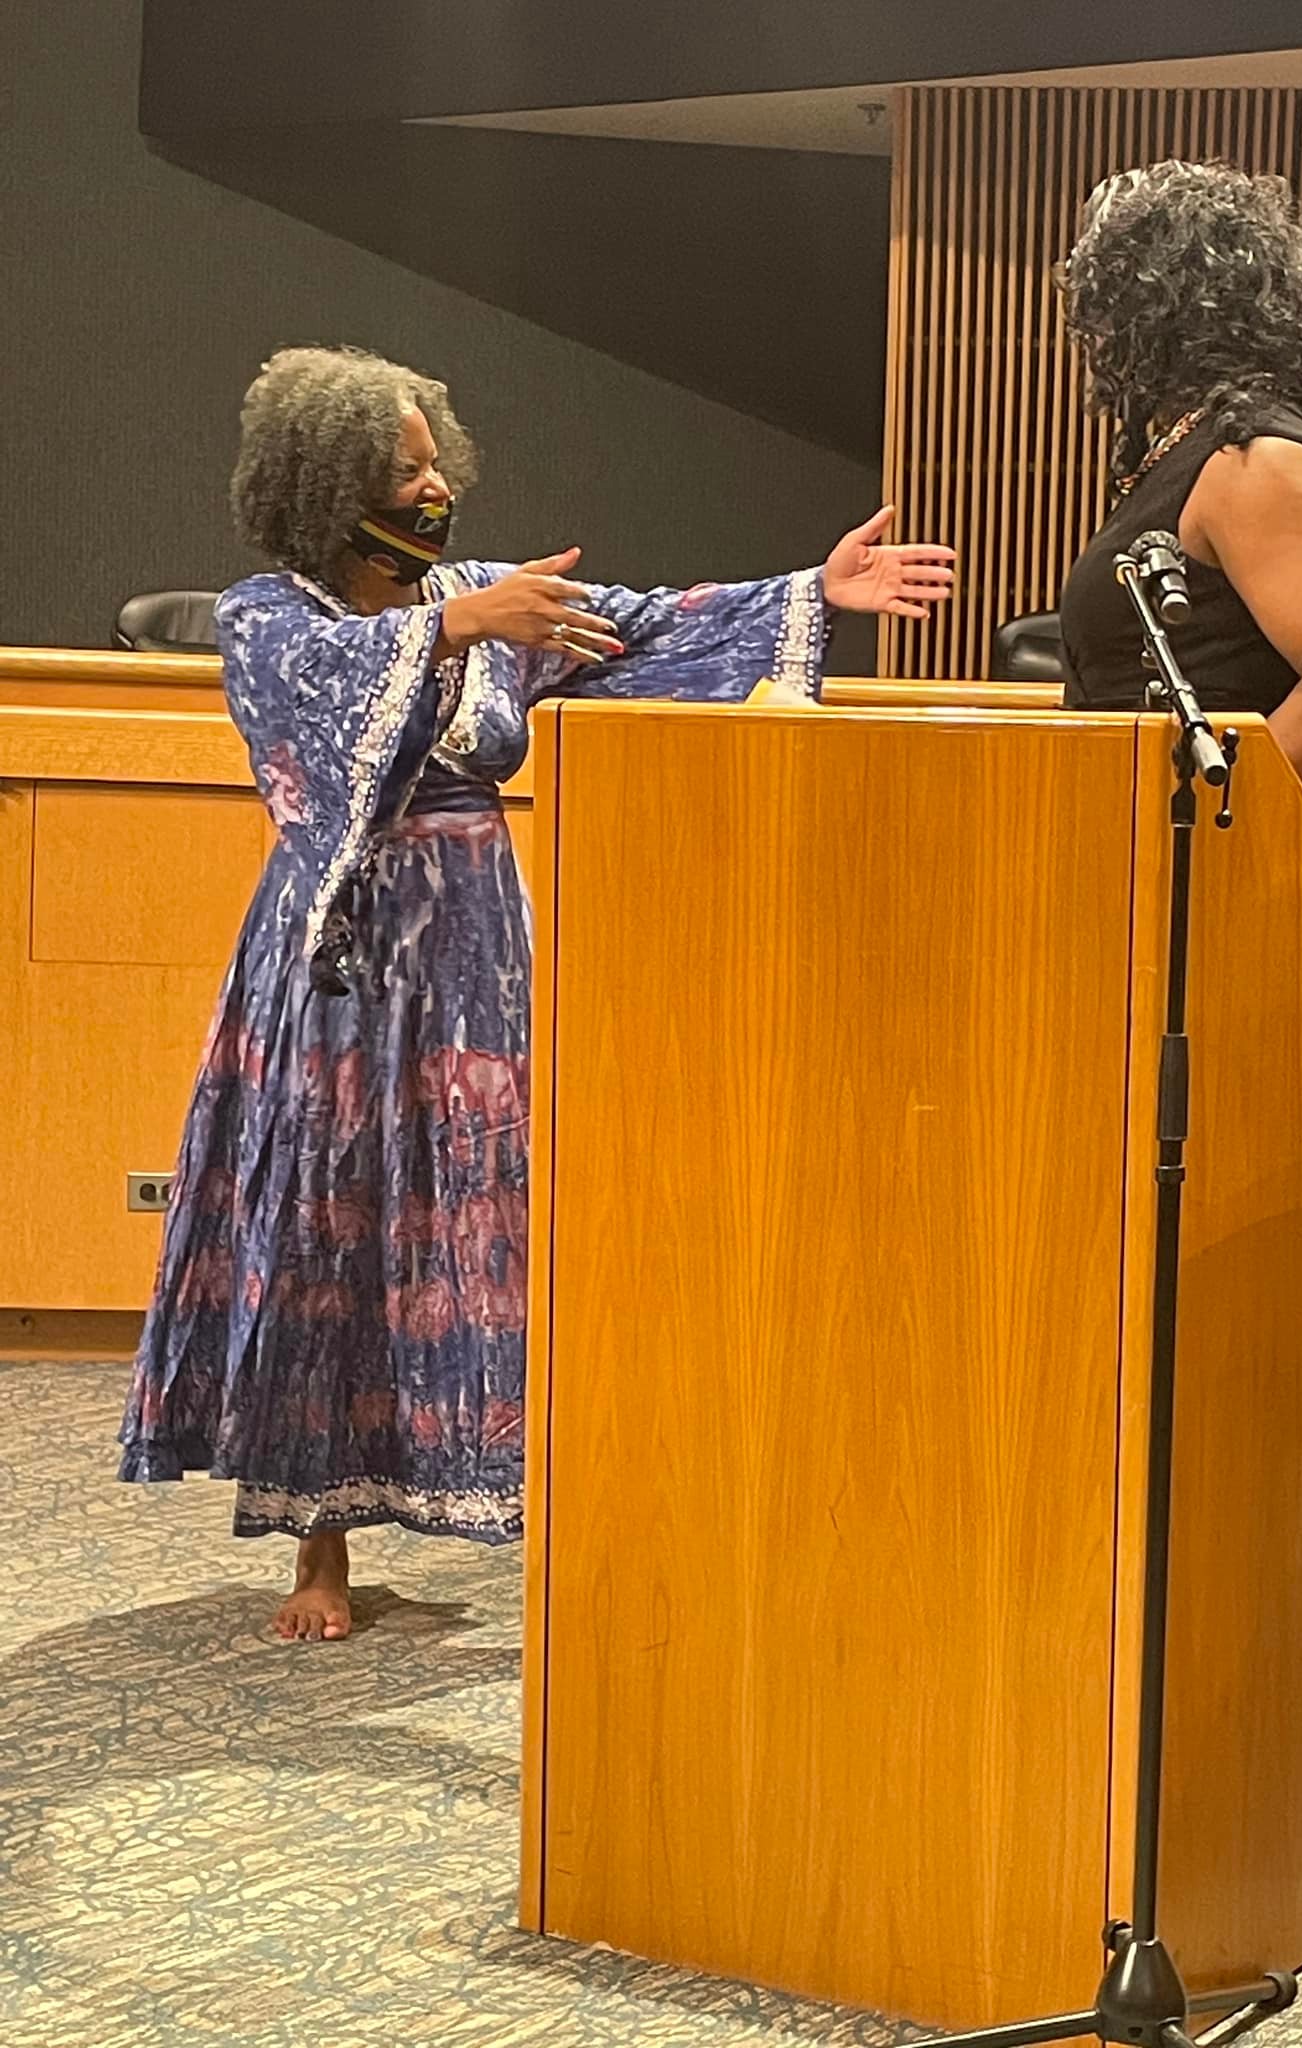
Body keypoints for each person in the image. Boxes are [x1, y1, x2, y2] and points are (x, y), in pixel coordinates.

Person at [119, 344, 954, 1642]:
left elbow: (649, 625)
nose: (437, 486)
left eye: (436, 462)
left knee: (484, 1211)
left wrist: (811, 589)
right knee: (333, 1219)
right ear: (330, 486)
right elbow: (321, 716)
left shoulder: (483, 597)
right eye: (406, 471)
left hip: (473, 955)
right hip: (340, 958)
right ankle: (318, 1551)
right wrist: (460, 626)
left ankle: (508, 1496)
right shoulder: (268, 618)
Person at [1055, 160, 1302, 790]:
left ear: (1161, 307)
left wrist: (1222, 814)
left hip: (1189, 841)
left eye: (1109, 301)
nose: (1097, 333)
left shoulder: (1253, 456)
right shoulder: (1191, 445)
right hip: (1124, 830)